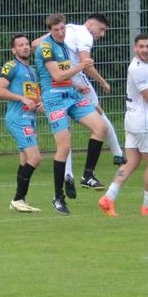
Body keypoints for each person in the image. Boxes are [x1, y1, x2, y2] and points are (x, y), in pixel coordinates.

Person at [34, 13, 108, 215]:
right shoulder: (46, 47)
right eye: (56, 30)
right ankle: (58, 197)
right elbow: (57, 76)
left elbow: (64, 74)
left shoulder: (64, 46)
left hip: (71, 94)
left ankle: (87, 175)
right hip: (54, 99)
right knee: (64, 146)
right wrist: (81, 67)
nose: (60, 33)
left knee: (101, 127)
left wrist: (77, 85)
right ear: (50, 30)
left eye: (62, 29)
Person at [60, 13, 124, 190]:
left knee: (63, 129)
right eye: (101, 29)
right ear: (91, 24)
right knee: (98, 115)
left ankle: (68, 175)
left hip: (58, 82)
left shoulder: (68, 28)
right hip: (75, 80)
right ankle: (117, 155)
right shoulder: (85, 34)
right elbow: (85, 64)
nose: (102, 34)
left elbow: (36, 44)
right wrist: (102, 81)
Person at [98, 34, 148, 218]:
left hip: (133, 120)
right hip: (143, 122)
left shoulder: (144, 67)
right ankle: (147, 207)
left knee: (132, 163)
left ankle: (108, 198)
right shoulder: (138, 69)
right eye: (142, 46)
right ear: (135, 48)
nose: (145, 50)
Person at [0, 35, 42, 213]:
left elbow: (32, 97)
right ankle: (17, 199)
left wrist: (40, 104)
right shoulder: (11, 66)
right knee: (35, 158)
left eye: (27, 44)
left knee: (25, 160)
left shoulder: (32, 70)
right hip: (18, 119)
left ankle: (20, 199)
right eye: (20, 45)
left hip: (29, 118)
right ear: (13, 50)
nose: (25, 47)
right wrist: (21, 98)